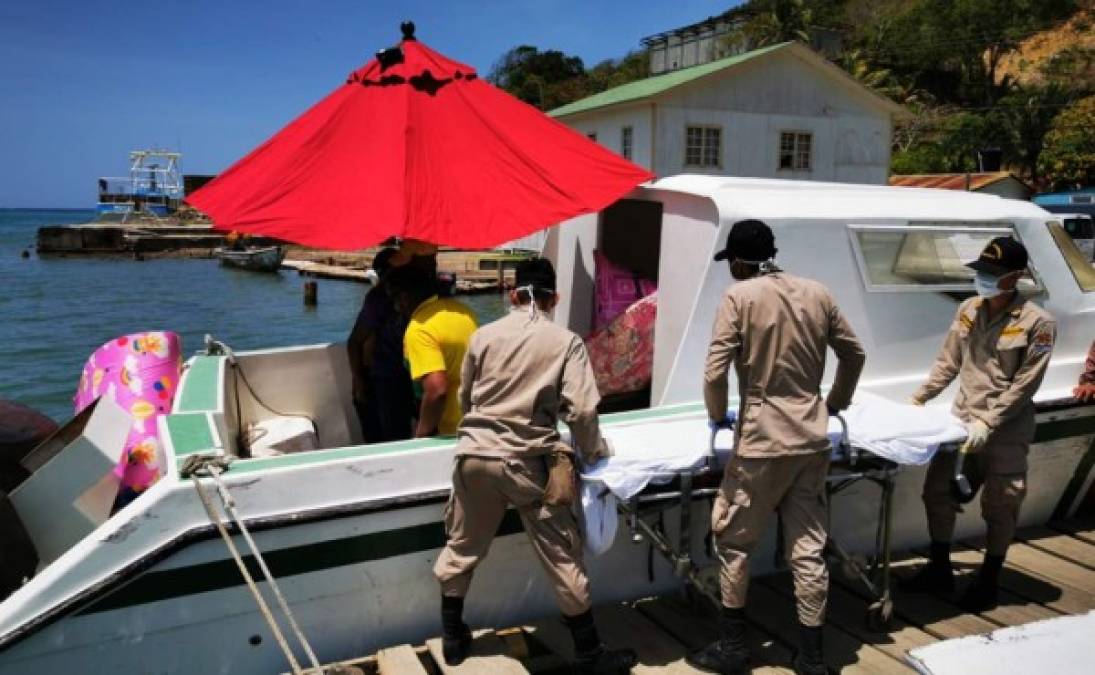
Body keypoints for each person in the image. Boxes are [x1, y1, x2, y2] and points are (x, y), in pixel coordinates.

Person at [432, 258, 635, 674]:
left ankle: (453, 639)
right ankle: (589, 654)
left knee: (461, 548)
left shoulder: (482, 337)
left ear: (512, 295)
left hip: (473, 457)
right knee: (563, 557)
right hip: (528, 464)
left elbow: (465, 399)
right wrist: (593, 451)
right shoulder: (565, 342)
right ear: (553, 298)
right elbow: (581, 412)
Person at [690, 220, 865, 675]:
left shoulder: (739, 298)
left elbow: (714, 373)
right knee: (807, 548)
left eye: (731, 261)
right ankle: (812, 657)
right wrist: (834, 403)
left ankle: (732, 646)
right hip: (810, 438)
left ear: (742, 261)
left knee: (734, 541)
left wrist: (716, 414)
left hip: (762, 440)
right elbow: (854, 353)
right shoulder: (818, 292)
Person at [904, 236, 1055, 612]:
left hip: (1005, 430)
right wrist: (920, 398)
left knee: (1000, 506)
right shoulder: (969, 309)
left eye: (993, 274)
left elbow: (1025, 383)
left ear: (1016, 277)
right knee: (937, 493)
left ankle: (989, 580)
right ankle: (940, 569)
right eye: (982, 272)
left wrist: (989, 421)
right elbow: (948, 362)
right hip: (961, 421)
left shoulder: (1039, 324)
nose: (984, 279)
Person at [386, 265, 478, 437]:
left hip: (448, 429)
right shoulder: (464, 312)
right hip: (476, 418)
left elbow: (437, 390)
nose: (395, 307)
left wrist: (422, 433)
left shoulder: (419, 329)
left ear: (405, 298)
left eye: (394, 299)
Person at [347, 248, 415, 443]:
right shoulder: (378, 299)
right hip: (379, 380)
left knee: (398, 435)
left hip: (400, 377)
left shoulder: (408, 298)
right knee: (382, 439)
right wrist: (360, 383)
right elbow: (354, 342)